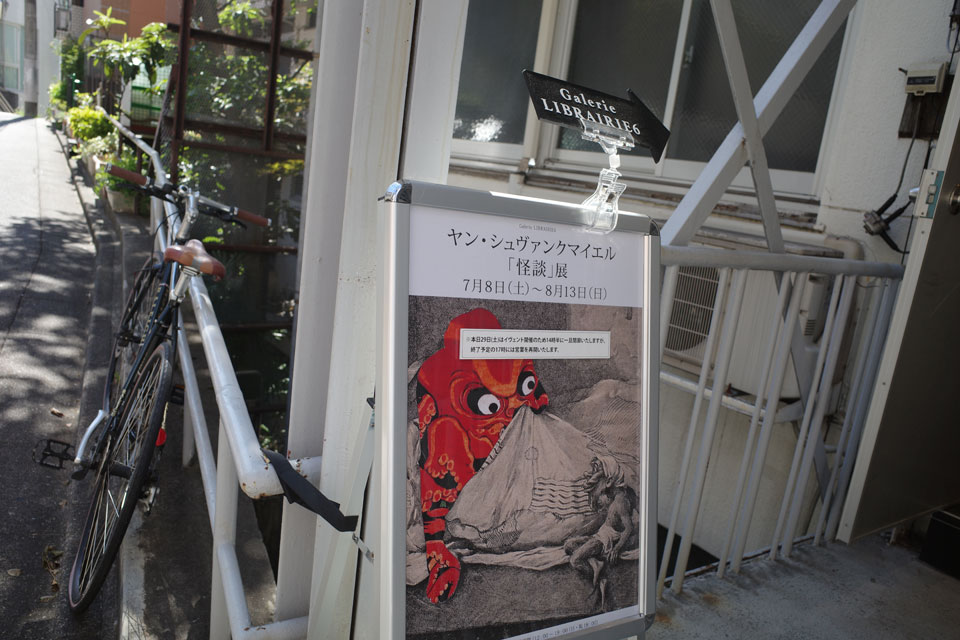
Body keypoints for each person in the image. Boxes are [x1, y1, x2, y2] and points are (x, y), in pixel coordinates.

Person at [563, 456, 636, 610]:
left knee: (575, 560)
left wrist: (616, 549)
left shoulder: (620, 501)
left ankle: (600, 577)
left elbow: (629, 528)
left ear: (610, 479)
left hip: (605, 540)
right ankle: (595, 562)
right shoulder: (613, 497)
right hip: (600, 535)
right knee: (569, 545)